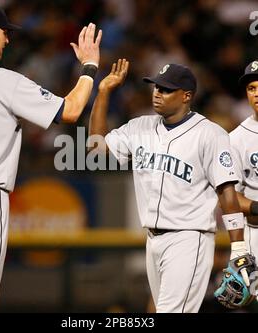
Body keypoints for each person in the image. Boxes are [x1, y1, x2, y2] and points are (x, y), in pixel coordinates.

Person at [0, 3, 101, 313]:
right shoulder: (5, 81)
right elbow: (70, 110)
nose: (8, 41)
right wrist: (89, 67)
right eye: (5, 34)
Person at [89, 59, 252, 313]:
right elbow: (97, 148)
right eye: (156, 87)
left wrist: (239, 250)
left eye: (166, 89)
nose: (157, 93)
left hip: (189, 238)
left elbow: (227, 195)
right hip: (153, 241)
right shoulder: (139, 127)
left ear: (186, 96)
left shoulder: (210, 134)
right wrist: (103, 92)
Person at [230, 61, 258, 286]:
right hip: (255, 233)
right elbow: (230, 197)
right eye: (251, 88)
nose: (257, 94)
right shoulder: (236, 138)